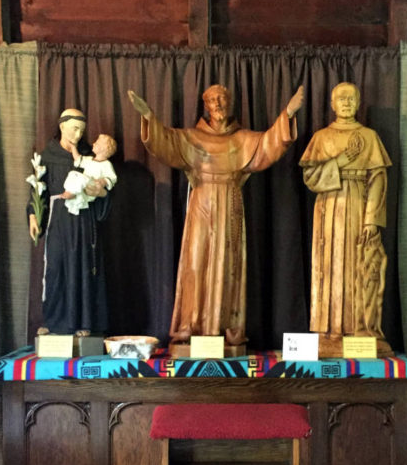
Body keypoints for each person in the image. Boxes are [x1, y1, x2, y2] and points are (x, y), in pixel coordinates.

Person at [128, 83, 304, 347]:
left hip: (231, 201)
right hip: (202, 199)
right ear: (205, 106)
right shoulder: (190, 138)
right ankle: (191, 324)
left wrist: (288, 114)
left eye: (223, 98)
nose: (219, 104)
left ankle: (225, 326)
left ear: (230, 103)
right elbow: (163, 141)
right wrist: (149, 118)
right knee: (196, 262)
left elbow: (269, 144)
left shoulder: (242, 139)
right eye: (213, 100)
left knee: (229, 265)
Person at [299, 82, 391, 347]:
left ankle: (358, 328)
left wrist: (371, 219)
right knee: (329, 265)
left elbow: (378, 180)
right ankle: (329, 330)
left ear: (359, 102)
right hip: (328, 208)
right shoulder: (321, 138)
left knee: (358, 266)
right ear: (332, 104)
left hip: (358, 205)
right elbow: (311, 177)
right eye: (341, 98)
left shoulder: (369, 137)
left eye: (351, 98)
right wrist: (339, 161)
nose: (346, 103)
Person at [27, 109, 111, 336]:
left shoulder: (87, 156)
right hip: (58, 220)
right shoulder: (46, 156)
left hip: (83, 220)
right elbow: (37, 191)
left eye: (82, 130)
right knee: (55, 268)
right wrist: (33, 216)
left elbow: (105, 188)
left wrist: (101, 192)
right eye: (74, 128)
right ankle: (54, 322)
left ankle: (84, 323)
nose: (78, 133)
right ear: (62, 126)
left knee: (83, 268)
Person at [62, 133, 118, 216]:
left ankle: (72, 193)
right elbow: (78, 158)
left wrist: (104, 181)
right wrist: (73, 147)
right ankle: (70, 192)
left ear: (103, 149)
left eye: (97, 143)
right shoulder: (89, 159)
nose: (93, 144)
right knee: (73, 174)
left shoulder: (106, 164)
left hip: (93, 185)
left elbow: (112, 178)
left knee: (80, 178)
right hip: (84, 184)